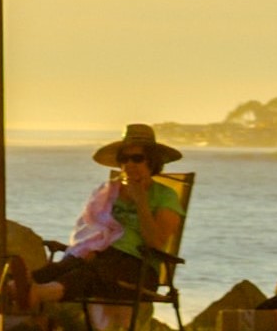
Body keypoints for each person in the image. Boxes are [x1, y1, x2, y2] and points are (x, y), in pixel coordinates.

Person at [28, 124, 184, 311]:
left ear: (151, 161)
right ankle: (12, 288)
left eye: (137, 158)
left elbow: (156, 243)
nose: (130, 164)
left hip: (137, 269)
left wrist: (141, 201)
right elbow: (91, 229)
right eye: (124, 159)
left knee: (86, 274)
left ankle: (37, 294)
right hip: (100, 257)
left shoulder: (165, 196)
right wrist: (91, 247)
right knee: (62, 267)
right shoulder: (108, 193)